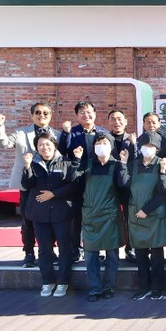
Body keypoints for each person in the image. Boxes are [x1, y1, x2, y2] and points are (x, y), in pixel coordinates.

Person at [0, 102, 60, 267]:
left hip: (48, 184)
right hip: (27, 184)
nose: (42, 115)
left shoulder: (58, 135)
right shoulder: (21, 133)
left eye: (45, 113)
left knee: (49, 220)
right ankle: (29, 252)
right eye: (38, 112)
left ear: (50, 115)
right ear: (32, 115)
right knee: (28, 220)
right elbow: (4, 144)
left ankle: (49, 251)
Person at [21, 132, 79, 298]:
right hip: (40, 214)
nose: (44, 147)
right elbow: (27, 185)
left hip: (62, 213)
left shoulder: (66, 162)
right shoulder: (33, 163)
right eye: (40, 145)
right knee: (44, 249)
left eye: (47, 144)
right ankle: (47, 281)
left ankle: (63, 282)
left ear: (54, 145)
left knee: (64, 248)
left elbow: (73, 185)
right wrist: (27, 167)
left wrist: (53, 194)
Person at [72, 132, 127, 302]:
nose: (101, 146)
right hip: (90, 215)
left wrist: (123, 164)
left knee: (112, 255)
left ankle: (109, 286)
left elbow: (124, 186)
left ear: (111, 146)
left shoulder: (116, 165)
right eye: (98, 143)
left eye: (105, 143)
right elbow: (72, 180)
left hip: (110, 216)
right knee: (90, 255)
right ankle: (94, 288)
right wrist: (77, 160)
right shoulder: (87, 164)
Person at [119, 131, 166, 301]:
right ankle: (143, 287)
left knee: (157, 255)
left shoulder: (162, 163)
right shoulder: (133, 164)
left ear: (157, 148)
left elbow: (164, 192)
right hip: (136, 213)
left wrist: (163, 173)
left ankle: (157, 288)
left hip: (154, 214)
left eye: (151, 146)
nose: (148, 148)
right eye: (145, 145)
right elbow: (124, 184)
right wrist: (122, 164)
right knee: (140, 254)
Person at [61, 101, 109, 263]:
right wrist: (66, 134)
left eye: (89, 112)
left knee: (97, 215)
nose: (86, 115)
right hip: (77, 181)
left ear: (95, 114)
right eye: (82, 112)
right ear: (77, 116)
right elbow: (62, 151)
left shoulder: (103, 133)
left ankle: (98, 247)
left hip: (98, 181)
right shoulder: (71, 132)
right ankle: (76, 249)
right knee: (76, 217)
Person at [107, 109, 137, 263]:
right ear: (108, 122)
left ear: (125, 122)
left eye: (119, 119)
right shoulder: (104, 140)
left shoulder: (132, 140)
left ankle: (130, 249)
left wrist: (135, 145)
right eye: (113, 119)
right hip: (109, 187)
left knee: (129, 218)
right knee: (111, 220)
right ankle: (111, 252)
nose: (116, 122)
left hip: (127, 186)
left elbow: (137, 162)